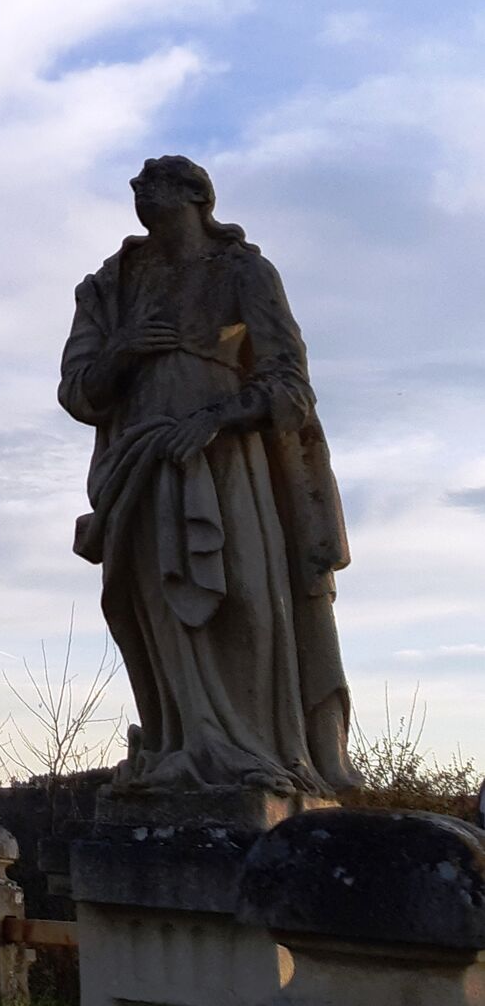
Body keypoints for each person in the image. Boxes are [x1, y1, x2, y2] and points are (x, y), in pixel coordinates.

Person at [60, 157, 357, 795]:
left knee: (244, 596)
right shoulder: (110, 287)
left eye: (154, 180)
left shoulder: (243, 272)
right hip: (140, 465)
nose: (137, 189)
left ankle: (255, 751)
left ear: (197, 195)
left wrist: (217, 418)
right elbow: (78, 393)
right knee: (156, 609)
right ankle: (183, 747)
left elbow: (289, 383)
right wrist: (123, 351)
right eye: (136, 182)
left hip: (229, 462)